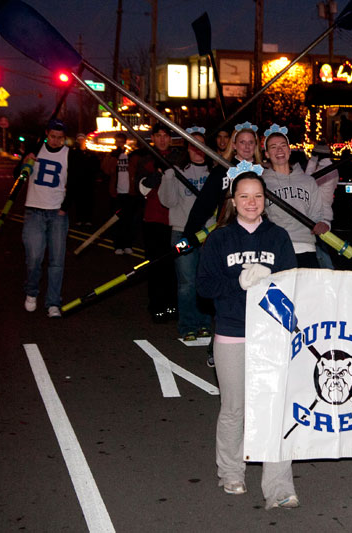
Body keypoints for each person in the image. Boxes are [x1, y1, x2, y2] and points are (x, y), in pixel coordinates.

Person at [196, 165, 300, 509]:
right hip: (231, 332)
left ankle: (279, 486)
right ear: (233, 200)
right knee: (234, 408)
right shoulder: (219, 238)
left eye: (257, 196)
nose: (251, 202)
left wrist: (271, 281)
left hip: (270, 335)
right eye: (244, 196)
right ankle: (231, 472)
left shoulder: (278, 238)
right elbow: (204, 285)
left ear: (265, 200)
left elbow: (294, 285)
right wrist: (237, 283)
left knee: (275, 410)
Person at [21, 119, 83, 318]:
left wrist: (64, 208)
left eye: (60, 138)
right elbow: (19, 175)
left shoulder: (69, 155)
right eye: (52, 137)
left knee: (56, 261)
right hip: (34, 211)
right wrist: (24, 162)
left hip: (56, 213)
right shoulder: (35, 149)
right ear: (46, 134)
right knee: (34, 257)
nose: (56, 141)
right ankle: (31, 291)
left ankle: (53, 302)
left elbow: (75, 183)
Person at [158, 126, 213, 341]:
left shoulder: (214, 173)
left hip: (208, 235)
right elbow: (168, 202)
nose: (197, 149)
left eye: (201, 144)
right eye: (193, 144)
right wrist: (168, 178)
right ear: (187, 148)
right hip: (182, 234)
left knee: (205, 280)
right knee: (187, 282)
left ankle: (204, 322)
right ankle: (188, 325)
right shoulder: (178, 172)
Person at [261, 124, 331, 268]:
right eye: (273, 147)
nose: (279, 150)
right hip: (277, 249)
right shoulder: (261, 183)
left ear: (289, 149)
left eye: (282, 145)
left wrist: (324, 223)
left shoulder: (308, 181)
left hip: (307, 248)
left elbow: (318, 214)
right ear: (267, 154)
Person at [138, 123, 182, 323]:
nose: (162, 139)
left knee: (174, 265)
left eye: (166, 135)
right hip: (153, 219)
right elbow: (141, 188)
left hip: (175, 220)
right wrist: (158, 174)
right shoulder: (145, 158)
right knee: (155, 265)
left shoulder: (180, 158)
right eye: (159, 135)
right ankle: (156, 304)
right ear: (153, 138)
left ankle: (173, 304)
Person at [101, 131, 139, 255]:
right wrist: (114, 157)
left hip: (129, 193)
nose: (119, 145)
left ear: (125, 143)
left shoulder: (130, 156)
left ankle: (127, 244)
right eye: (118, 142)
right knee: (117, 220)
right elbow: (106, 170)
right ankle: (118, 245)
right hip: (117, 193)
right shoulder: (111, 156)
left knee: (129, 221)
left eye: (122, 142)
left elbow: (136, 170)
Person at [304, 139, 338, 269]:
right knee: (321, 249)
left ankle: (329, 274)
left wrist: (312, 161)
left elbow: (307, 182)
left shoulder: (324, 170)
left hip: (320, 215)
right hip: (324, 212)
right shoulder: (332, 168)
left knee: (322, 251)